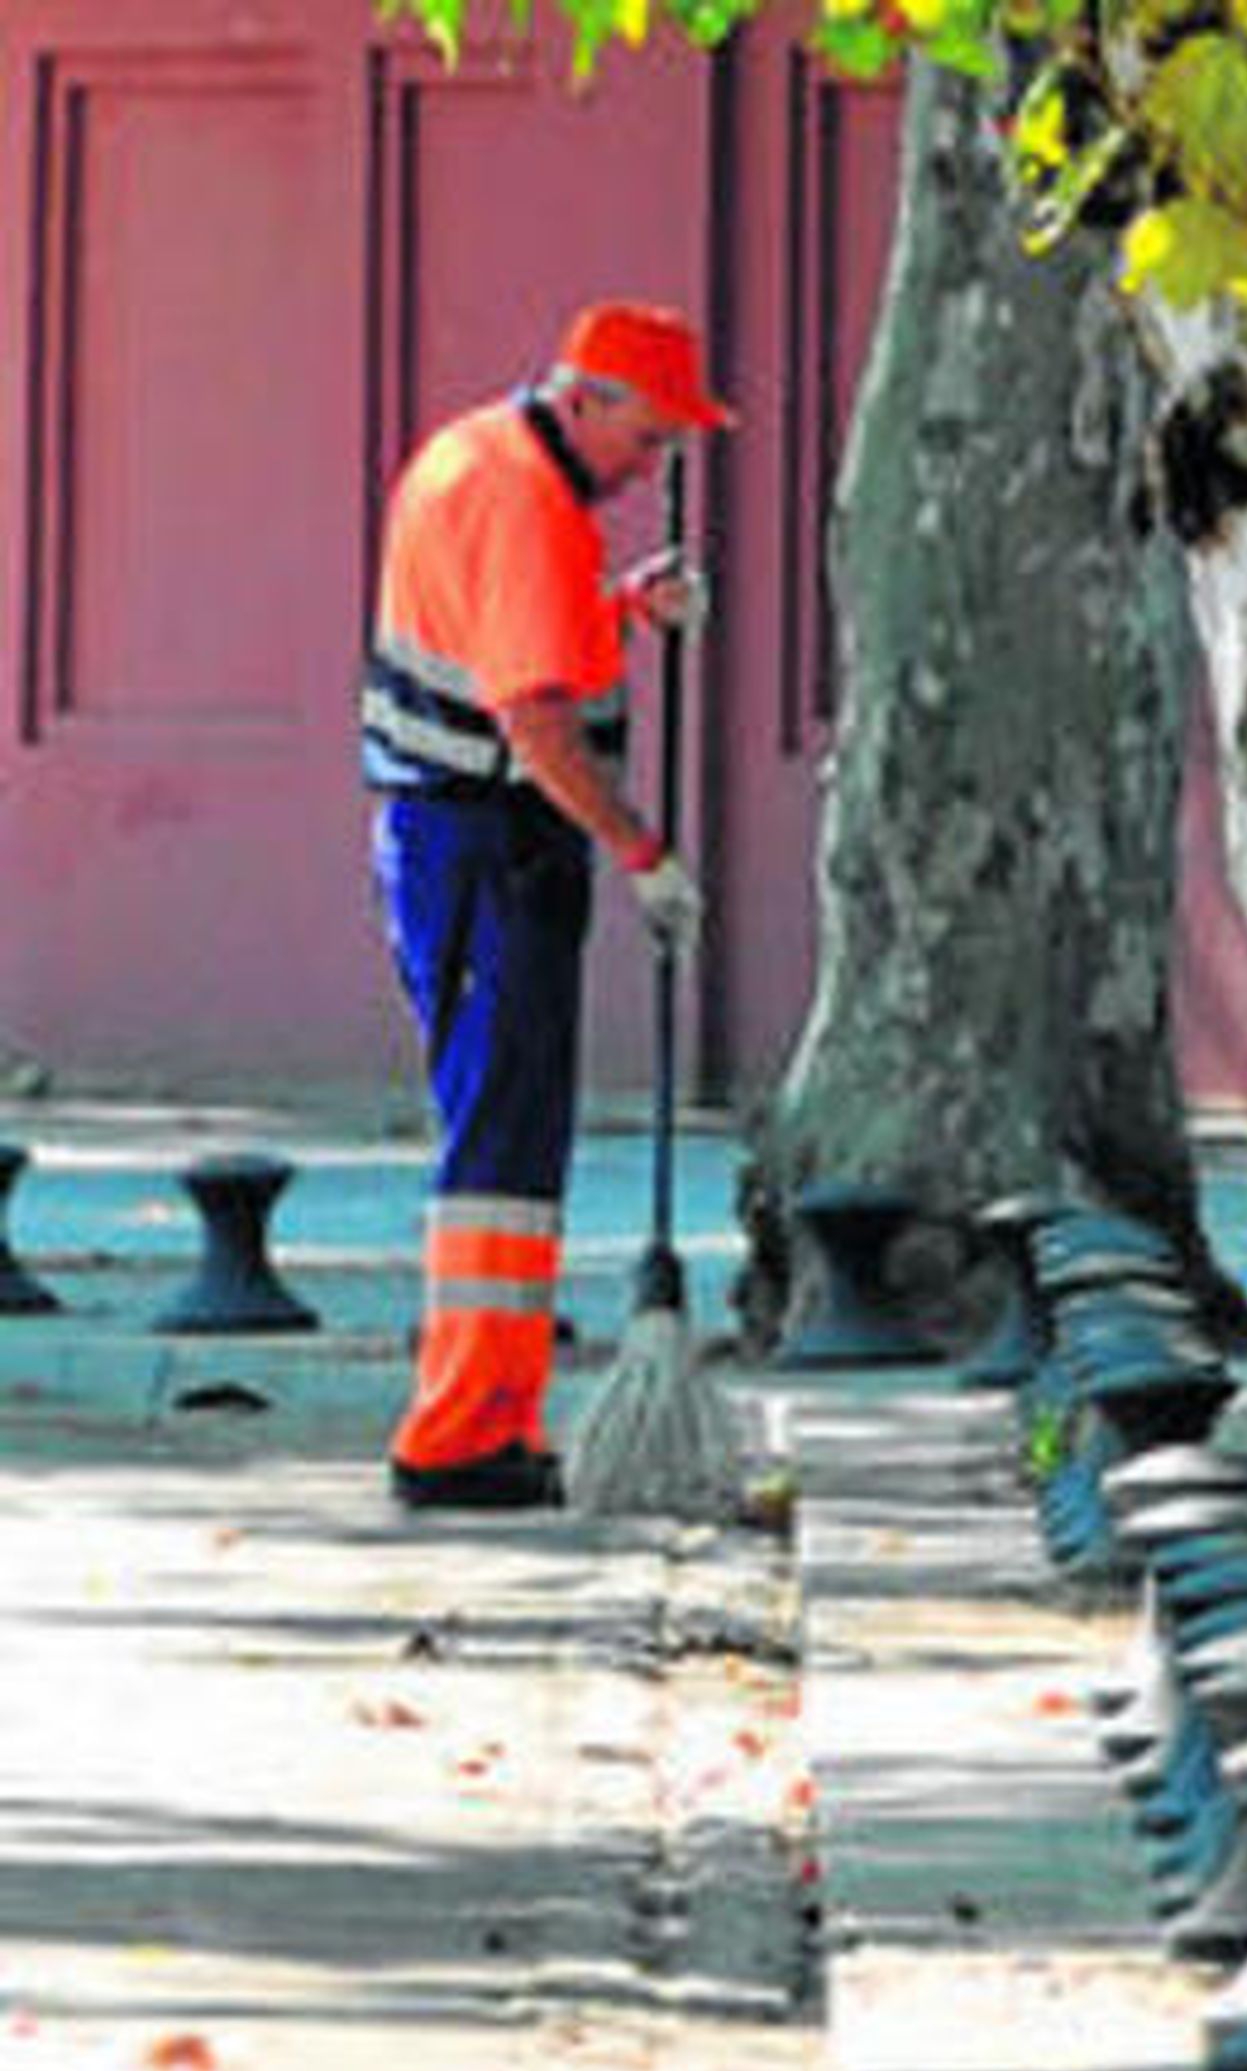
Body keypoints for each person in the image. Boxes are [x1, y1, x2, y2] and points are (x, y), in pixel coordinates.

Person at [362, 301, 734, 1511]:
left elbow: (502, 645)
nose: (655, 464)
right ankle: (459, 1434)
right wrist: (643, 852)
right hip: (494, 844)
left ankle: (489, 1416)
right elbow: (529, 720)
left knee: (505, 1129)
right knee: (502, 1145)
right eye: (651, 436)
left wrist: (622, 608)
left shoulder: (481, 457)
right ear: (587, 400)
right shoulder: (523, 499)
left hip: (460, 840)